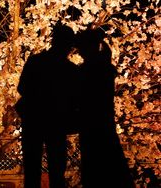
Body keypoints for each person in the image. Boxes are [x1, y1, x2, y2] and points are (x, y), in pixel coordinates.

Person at [15, 22, 78, 188]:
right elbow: (75, 99)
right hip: (57, 122)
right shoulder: (70, 70)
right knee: (57, 170)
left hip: (33, 119)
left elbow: (22, 87)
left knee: (32, 168)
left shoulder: (35, 61)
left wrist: (37, 97)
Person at [76, 26, 135, 188]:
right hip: (104, 122)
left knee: (94, 166)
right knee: (111, 164)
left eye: (81, 48)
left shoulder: (86, 71)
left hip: (90, 124)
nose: (79, 52)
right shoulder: (105, 68)